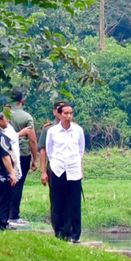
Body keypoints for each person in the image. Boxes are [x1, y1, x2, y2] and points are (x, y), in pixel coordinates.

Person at [46, 103, 85, 242]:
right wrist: (56, 164)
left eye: (71, 113)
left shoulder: (78, 130)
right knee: (58, 202)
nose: (68, 116)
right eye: (65, 113)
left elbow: (81, 150)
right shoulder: (52, 131)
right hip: (58, 169)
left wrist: (79, 167)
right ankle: (60, 232)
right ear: (59, 114)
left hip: (73, 169)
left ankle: (74, 234)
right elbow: (49, 151)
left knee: (74, 203)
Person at [8, 88, 38, 225]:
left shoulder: (3, 114)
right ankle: (14, 215)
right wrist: (35, 158)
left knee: (7, 183)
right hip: (22, 153)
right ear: (22, 101)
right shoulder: (27, 117)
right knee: (18, 184)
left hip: (6, 153)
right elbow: (32, 139)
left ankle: (5, 213)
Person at [39, 101, 65, 230]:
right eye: (59, 110)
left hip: (69, 169)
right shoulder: (48, 129)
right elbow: (43, 150)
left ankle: (69, 228)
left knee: (70, 199)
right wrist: (43, 171)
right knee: (55, 199)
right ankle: (58, 229)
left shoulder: (74, 128)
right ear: (55, 112)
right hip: (54, 168)